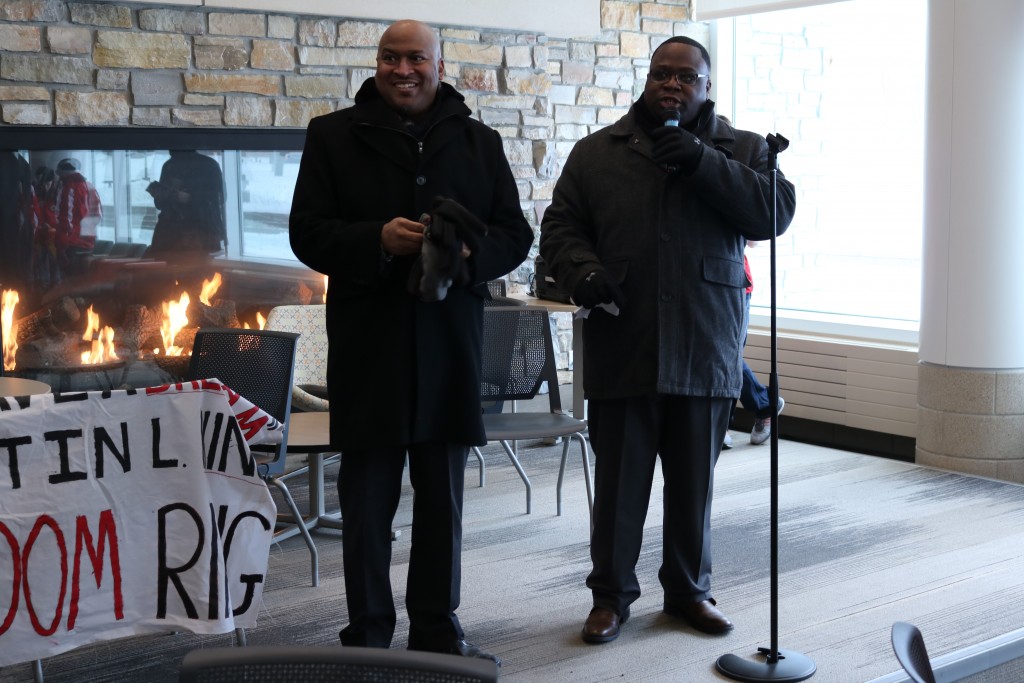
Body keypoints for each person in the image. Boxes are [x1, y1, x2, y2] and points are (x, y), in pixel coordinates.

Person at [288, 19, 533, 664]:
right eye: (390, 58)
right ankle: (367, 634)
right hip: (370, 346)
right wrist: (375, 238)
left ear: (440, 66)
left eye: (416, 58)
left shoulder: (480, 142)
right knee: (366, 502)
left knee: (444, 502)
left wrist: (466, 256)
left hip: (450, 346)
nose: (403, 70)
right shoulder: (332, 136)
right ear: (376, 64)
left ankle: (436, 627)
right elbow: (307, 234)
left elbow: (516, 234)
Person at [539, 35, 796, 643]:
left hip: (705, 346)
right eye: (662, 73)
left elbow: (773, 215)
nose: (672, 84)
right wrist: (584, 272)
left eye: (686, 76)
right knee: (620, 486)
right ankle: (610, 598)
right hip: (623, 340)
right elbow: (559, 227)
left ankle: (688, 592)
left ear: (707, 87)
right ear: (648, 79)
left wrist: (703, 160)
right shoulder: (598, 153)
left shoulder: (746, 149)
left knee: (693, 486)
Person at [724, 250, 785, 449]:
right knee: (722, 355)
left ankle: (763, 406)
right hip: (696, 283)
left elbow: (754, 239)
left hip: (732, 283)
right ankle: (723, 424)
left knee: (728, 353)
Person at [146, 150, 226, 260]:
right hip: (183, 230)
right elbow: (220, 198)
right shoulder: (208, 164)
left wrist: (189, 198)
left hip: (186, 231)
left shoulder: (170, 165)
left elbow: (218, 197)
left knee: (176, 269)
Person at [53, 157, 99, 276]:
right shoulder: (90, 187)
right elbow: (97, 215)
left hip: (71, 243)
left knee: (69, 280)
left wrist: (61, 243)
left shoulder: (68, 188)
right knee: (82, 281)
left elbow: (65, 218)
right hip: (88, 242)